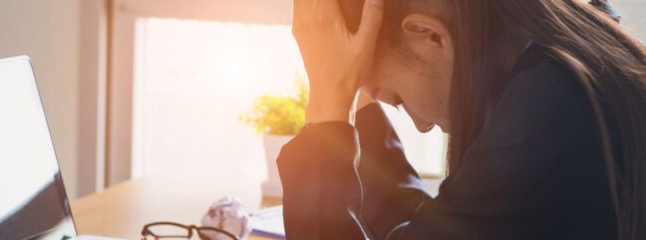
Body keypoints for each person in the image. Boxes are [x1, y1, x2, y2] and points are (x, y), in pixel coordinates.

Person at [277, 0, 646, 239]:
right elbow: (441, 226)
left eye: (399, 100)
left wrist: (328, 100)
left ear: (429, 35)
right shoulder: (563, 60)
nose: (420, 126)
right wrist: (353, 91)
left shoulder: (548, 113)